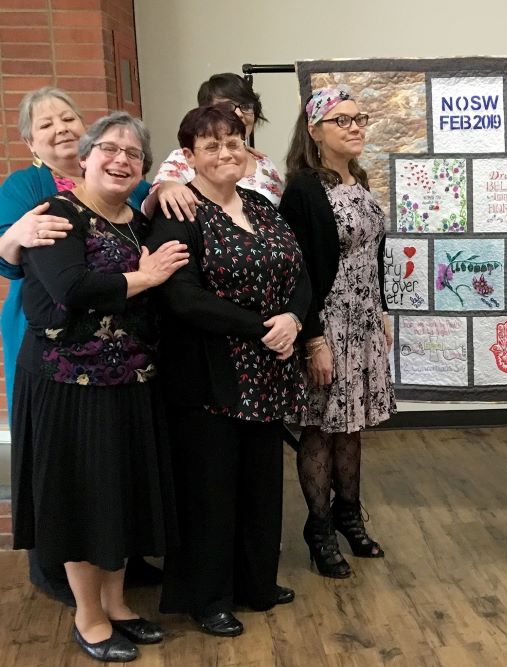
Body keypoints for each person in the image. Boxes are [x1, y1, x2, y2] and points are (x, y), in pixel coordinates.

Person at [12, 112, 189, 662]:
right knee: (81, 501)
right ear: (83, 158)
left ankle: (116, 605)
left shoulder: (136, 221)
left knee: (118, 495)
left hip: (129, 380)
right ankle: (87, 616)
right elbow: (71, 288)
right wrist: (147, 278)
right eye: (109, 148)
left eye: (133, 154)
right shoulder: (56, 215)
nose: (120, 160)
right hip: (69, 386)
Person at [150, 105, 308, 637]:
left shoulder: (262, 206)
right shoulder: (177, 212)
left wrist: (294, 317)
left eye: (233, 142)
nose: (225, 153)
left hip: (267, 372)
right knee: (210, 490)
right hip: (209, 376)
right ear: (189, 155)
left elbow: (300, 272)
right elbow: (182, 297)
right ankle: (208, 596)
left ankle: (255, 583)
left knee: (260, 485)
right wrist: (263, 325)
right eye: (211, 145)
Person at [0, 87, 158, 607]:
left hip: (121, 359)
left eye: (68, 117)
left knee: (112, 474)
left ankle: (117, 588)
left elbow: (149, 209)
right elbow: (27, 266)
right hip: (55, 344)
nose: (61, 128)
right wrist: (16, 234)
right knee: (69, 474)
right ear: (30, 140)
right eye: (46, 124)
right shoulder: (34, 192)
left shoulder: (124, 183)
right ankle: (70, 591)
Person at [279, 86, 396, 579]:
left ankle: (350, 515)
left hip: (365, 320)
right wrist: (314, 338)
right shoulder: (305, 189)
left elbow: (373, 257)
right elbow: (298, 271)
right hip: (327, 325)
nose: (354, 127)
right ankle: (320, 528)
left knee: (352, 426)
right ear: (314, 131)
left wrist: (384, 309)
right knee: (321, 427)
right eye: (341, 120)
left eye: (359, 119)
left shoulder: (361, 181)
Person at [145, 72, 283, 221]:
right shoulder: (184, 158)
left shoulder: (264, 162)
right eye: (228, 106)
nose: (240, 113)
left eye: (246, 106)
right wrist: (166, 187)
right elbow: (151, 207)